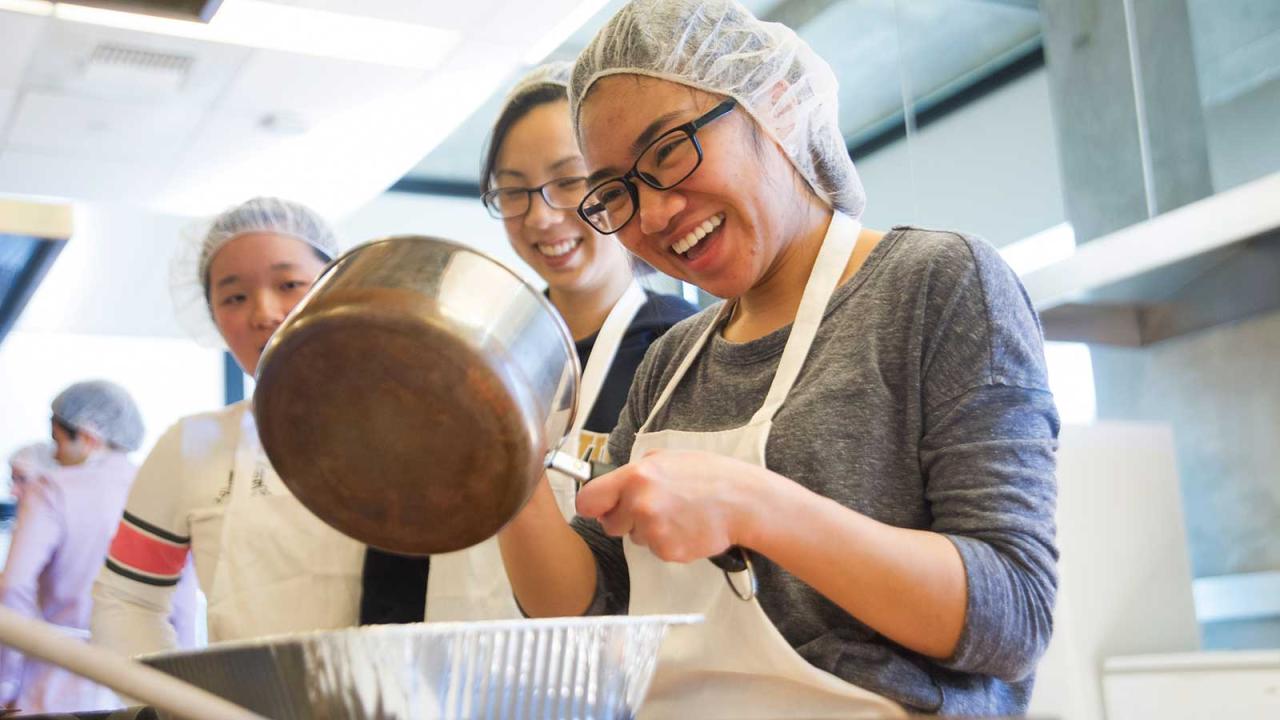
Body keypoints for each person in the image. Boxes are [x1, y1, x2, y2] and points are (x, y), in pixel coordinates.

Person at [497, 1, 1060, 716]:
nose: (655, 213)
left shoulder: (934, 284)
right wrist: (502, 462)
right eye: (616, 192)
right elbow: (594, 613)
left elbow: (1013, 616)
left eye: (669, 150)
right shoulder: (672, 364)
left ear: (775, 106)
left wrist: (753, 506)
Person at [359, 61, 698, 624]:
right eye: (513, 192)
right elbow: (403, 539)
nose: (541, 217)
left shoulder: (677, 349)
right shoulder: (466, 357)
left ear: (615, 182)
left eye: (569, 181)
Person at [91, 198, 366, 657]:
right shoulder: (195, 445)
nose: (265, 313)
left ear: (339, 288)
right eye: (234, 297)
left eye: (289, 283)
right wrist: (175, 705)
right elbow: (127, 600)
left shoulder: (420, 426)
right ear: (214, 319)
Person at [0, 381, 197, 714]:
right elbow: (182, 603)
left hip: (56, 682)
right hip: (143, 686)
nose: (56, 454)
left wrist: (6, 680)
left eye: (58, 441)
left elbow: (14, 588)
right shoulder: (161, 488)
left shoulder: (51, 490)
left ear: (88, 437)